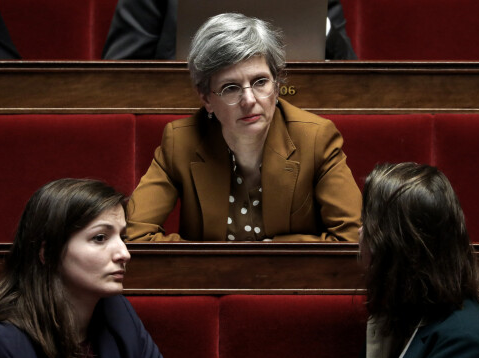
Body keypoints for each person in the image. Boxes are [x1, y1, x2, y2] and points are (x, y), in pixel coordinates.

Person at [127, 13, 362, 242]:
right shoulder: (180, 141)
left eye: (260, 82)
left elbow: (351, 237)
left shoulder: (316, 138)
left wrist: (273, 251)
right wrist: (210, 262)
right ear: (206, 98)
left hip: (293, 281)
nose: (249, 100)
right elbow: (135, 234)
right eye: (230, 88)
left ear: (277, 85)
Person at [0, 179, 180, 358]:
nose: (124, 254)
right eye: (100, 238)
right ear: (47, 253)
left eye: (122, 238)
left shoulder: (120, 313)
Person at [354, 162, 479, 358]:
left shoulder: (466, 348)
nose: (360, 232)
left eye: (367, 223)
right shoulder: (394, 320)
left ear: (394, 248)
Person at [102, 0, 357, 60]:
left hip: (291, 120)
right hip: (186, 117)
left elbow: (351, 81)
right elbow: (119, 76)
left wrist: (310, 15)